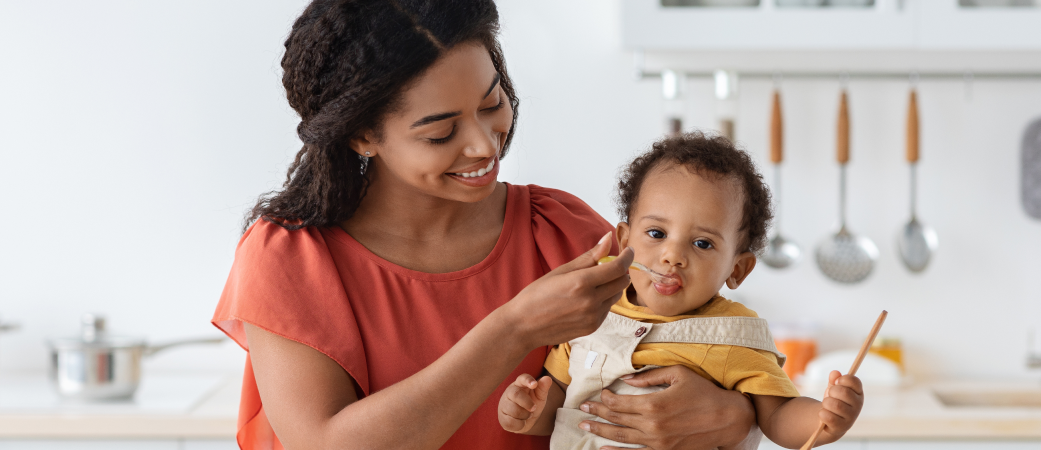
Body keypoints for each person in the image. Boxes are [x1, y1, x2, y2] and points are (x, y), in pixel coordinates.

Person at [211, 1, 764, 449]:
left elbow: (691, 353)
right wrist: (514, 328)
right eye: (439, 132)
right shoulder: (291, 257)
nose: (483, 144)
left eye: (492, 102)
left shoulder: (561, 231)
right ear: (362, 136)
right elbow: (324, 444)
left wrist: (733, 416)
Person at [497, 132, 865, 449]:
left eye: (703, 244)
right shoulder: (590, 312)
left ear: (737, 270)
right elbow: (558, 400)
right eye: (656, 234)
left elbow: (779, 417)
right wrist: (526, 410)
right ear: (623, 241)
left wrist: (826, 417)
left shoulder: (735, 335)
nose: (673, 256)